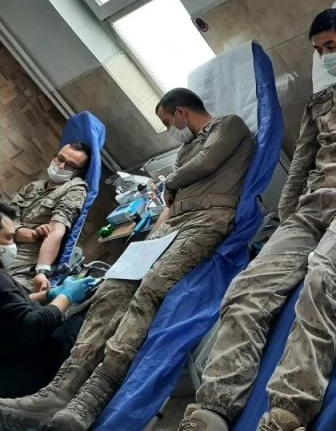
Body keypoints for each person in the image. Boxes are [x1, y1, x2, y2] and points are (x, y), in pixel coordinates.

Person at [179, 8, 336, 431]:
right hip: (312, 206)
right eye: (318, 50)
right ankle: (214, 408)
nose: (325, 56)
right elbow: (300, 166)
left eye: (331, 46)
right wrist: (287, 220)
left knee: (322, 276)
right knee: (247, 287)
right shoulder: (318, 103)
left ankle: (290, 410)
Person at [0, 88, 254, 431]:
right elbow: (169, 206)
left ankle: (90, 399)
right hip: (174, 224)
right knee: (112, 288)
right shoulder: (185, 150)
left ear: (181, 112)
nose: (169, 129)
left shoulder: (229, 125)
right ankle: (60, 389)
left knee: (150, 290)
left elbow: (205, 164)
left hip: (208, 220)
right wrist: (145, 245)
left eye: (167, 122)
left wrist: (166, 184)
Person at [0, 201, 96, 399]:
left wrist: (48, 295)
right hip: (24, 373)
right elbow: (31, 326)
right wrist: (66, 296)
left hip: (9, 364)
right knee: (93, 313)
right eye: (8, 238)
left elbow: (7, 309)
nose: (12, 245)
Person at [7, 143, 90, 293]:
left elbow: (56, 231)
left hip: (23, 267)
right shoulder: (31, 187)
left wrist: (42, 271)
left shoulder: (75, 189)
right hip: (5, 248)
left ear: (79, 172)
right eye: (60, 159)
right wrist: (31, 234)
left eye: (71, 166)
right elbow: (7, 221)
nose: (61, 166)